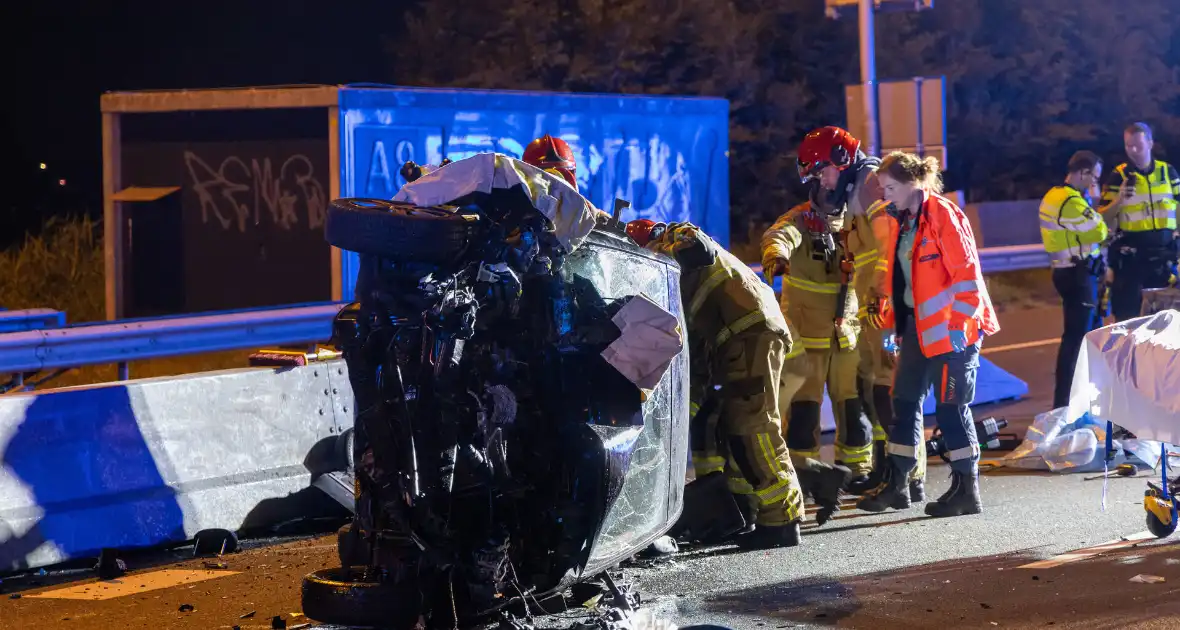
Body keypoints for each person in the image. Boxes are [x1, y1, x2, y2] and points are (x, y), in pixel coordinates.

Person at [627, 219, 846, 546]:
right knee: (735, 429)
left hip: (749, 333)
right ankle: (747, 511)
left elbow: (693, 242)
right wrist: (682, 414)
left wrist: (667, 249)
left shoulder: (678, 247)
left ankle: (783, 521)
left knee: (753, 427)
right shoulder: (682, 290)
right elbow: (695, 358)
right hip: (739, 338)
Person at [856, 151, 1000, 518]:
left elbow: (967, 275)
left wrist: (959, 327)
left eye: (890, 187)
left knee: (951, 409)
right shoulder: (901, 221)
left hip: (954, 334)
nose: (885, 195)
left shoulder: (943, 215)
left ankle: (967, 490)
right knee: (903, 404)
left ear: (912, 183)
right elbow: (903, 283)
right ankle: (897, 485)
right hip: (918, 333)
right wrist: (892, 326)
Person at [760, 196, 873, 491]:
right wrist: (776, 257)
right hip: (807, 336)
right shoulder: (799, 219)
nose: (826, 182)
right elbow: (778, 236)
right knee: (803, 411)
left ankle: (856, 470)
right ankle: (804, 474)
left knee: (852, 406)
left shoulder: (857, 221)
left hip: (846, 332)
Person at [1039, 151, 1109, 409]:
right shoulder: (1068, 199)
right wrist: (1095, 206)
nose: (1094, 184)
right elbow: (1100, 230)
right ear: (1084, 172)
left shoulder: (1059, 196)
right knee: (1077, 340)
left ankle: (1075, 402)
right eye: (1094, 178)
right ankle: (1065, 405)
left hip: (1073, 272)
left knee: (1082, 337)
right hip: (1077, 274)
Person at [1098, 122, 1180, 322]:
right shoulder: (1118, 176)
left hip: (1163, 259)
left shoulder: (1168, 173)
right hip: (1131, 262)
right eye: (1128, 146)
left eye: (1138, 145)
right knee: (1129, 323)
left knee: (1165, 325)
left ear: (1150, 143)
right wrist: (1119, 201)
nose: (1133, 150)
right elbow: (1101, 219)